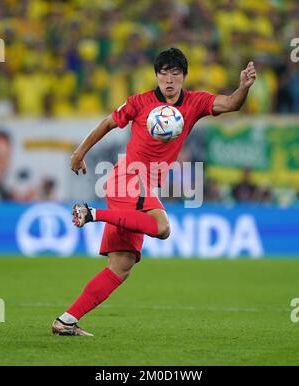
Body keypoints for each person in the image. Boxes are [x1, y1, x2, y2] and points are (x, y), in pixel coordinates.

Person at [52, 48, 256, 336]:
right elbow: (108, 123)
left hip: (142, 187)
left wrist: (244, 87)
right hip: (128, 178)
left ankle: (66, 321)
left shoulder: (196, 102)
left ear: (184, 76)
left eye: (175, 73)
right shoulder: (139, 102)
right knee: (162, 228)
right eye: (163, 73)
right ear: (156, 76)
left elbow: (232, 103)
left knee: (121, 266)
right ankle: (91, 213)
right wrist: (79, 152)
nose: (169, 79)